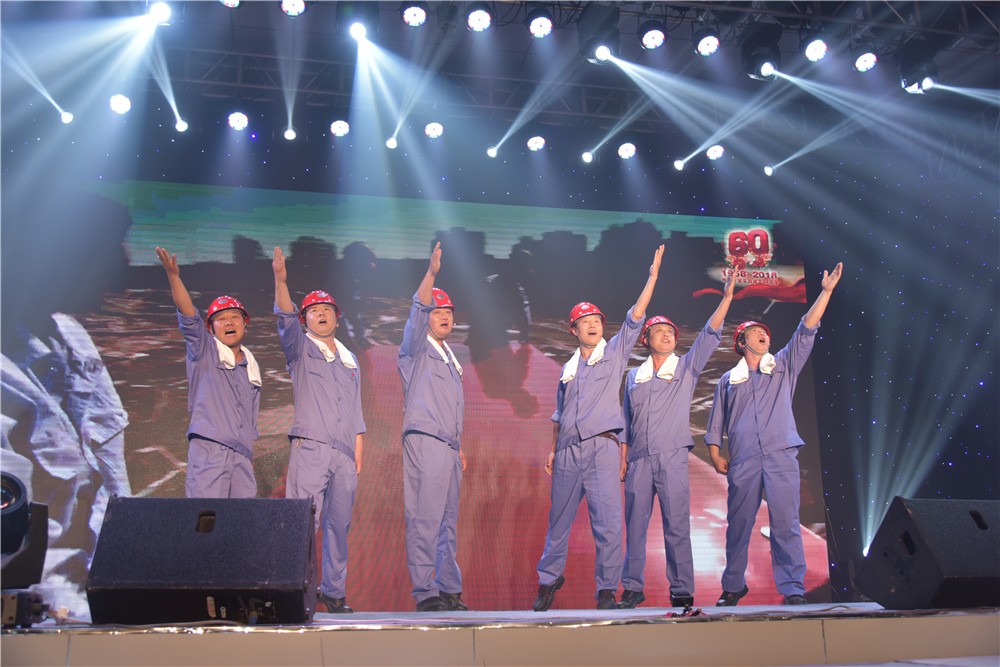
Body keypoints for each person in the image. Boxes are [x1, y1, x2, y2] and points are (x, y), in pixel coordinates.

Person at [533, 244, 664, 612]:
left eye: (597, 321)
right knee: (558, 521)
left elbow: (636, 317)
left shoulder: (615, 353)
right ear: (573, 329)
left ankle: (606, 590)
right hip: (568, 452)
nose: (593, 325)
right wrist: (553, 448)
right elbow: (559, 413)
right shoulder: (568, 368)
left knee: (607, 523)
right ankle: (548, 579)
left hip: (602, 448)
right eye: (585, 321)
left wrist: (652, 277)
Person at [706, 262, 843, 606]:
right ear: (741, 342)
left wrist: (825, 293)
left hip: (781, 455)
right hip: (744, 460)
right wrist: (715, 453)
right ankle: (733, 585)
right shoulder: (728, 381)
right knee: (739, 525)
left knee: (785, 523)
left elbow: (806, 328)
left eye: (765, 332)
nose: (764, 335)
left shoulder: (783, 366)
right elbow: (716, 421)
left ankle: (792, 588)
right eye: (756, 332)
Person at [618, 273, 736, 610]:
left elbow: (708, 335)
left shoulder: (685, 368)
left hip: (671, 458)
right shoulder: (634, 376)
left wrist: (727, 298)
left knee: (676, 526)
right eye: (659, 331)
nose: (667, 334)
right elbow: (626, 421)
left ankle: (682, 589)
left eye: (670, 331)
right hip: (639, 460)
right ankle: (632, 588)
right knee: (635, 527)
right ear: (646, 339)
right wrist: (623, 458)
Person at [272, 247, 365, 614]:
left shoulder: (350, 358)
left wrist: (357, 452)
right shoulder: (300, 348)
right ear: (305, 318)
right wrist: (281, 281)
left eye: (326, 309)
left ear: (336, 317)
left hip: (345, 455)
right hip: (311, 447)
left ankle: (334, 591)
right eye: (313, 310)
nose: (321, 314)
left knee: (339, 525)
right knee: (303, 522)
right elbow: (284, 316)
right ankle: (291, 587)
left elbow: (356, 411)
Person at [155, 247, 260, 498]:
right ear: (211, 329)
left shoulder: (251, 366)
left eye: (235, 317)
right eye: (221, 319)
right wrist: (174, 277)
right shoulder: (205, 351)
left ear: (245, 324)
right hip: (210, 449)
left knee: (244, 518)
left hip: (242, 455)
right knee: (206, 514)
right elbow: (189, 316)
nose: (229, 322)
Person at [398, 242, 468, 612]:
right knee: (424, 518)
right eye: (437, 311)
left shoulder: (450, 357)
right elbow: (417, 309)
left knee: (446, 522)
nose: (443, 317)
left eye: (448, 312)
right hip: (425, 442)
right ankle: (425, 592)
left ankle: (449, 589)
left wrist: (459, 447)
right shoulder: (416, 348)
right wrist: (431, 274)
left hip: (449, 448)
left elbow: (449, 408)